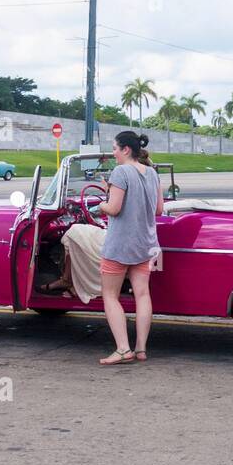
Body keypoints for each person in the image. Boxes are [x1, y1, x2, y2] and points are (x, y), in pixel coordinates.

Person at [97, 130, 163, 365]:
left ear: (126, 149)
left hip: (121, 245)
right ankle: (141, 348)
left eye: (115, 148)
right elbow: (158, 210)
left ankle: (123, 349)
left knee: (110, 295)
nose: (113, 153)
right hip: (145, 244)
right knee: (142, 294)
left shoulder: (121, 171)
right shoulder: (153, 173)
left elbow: (114, 209)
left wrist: (101, 204)